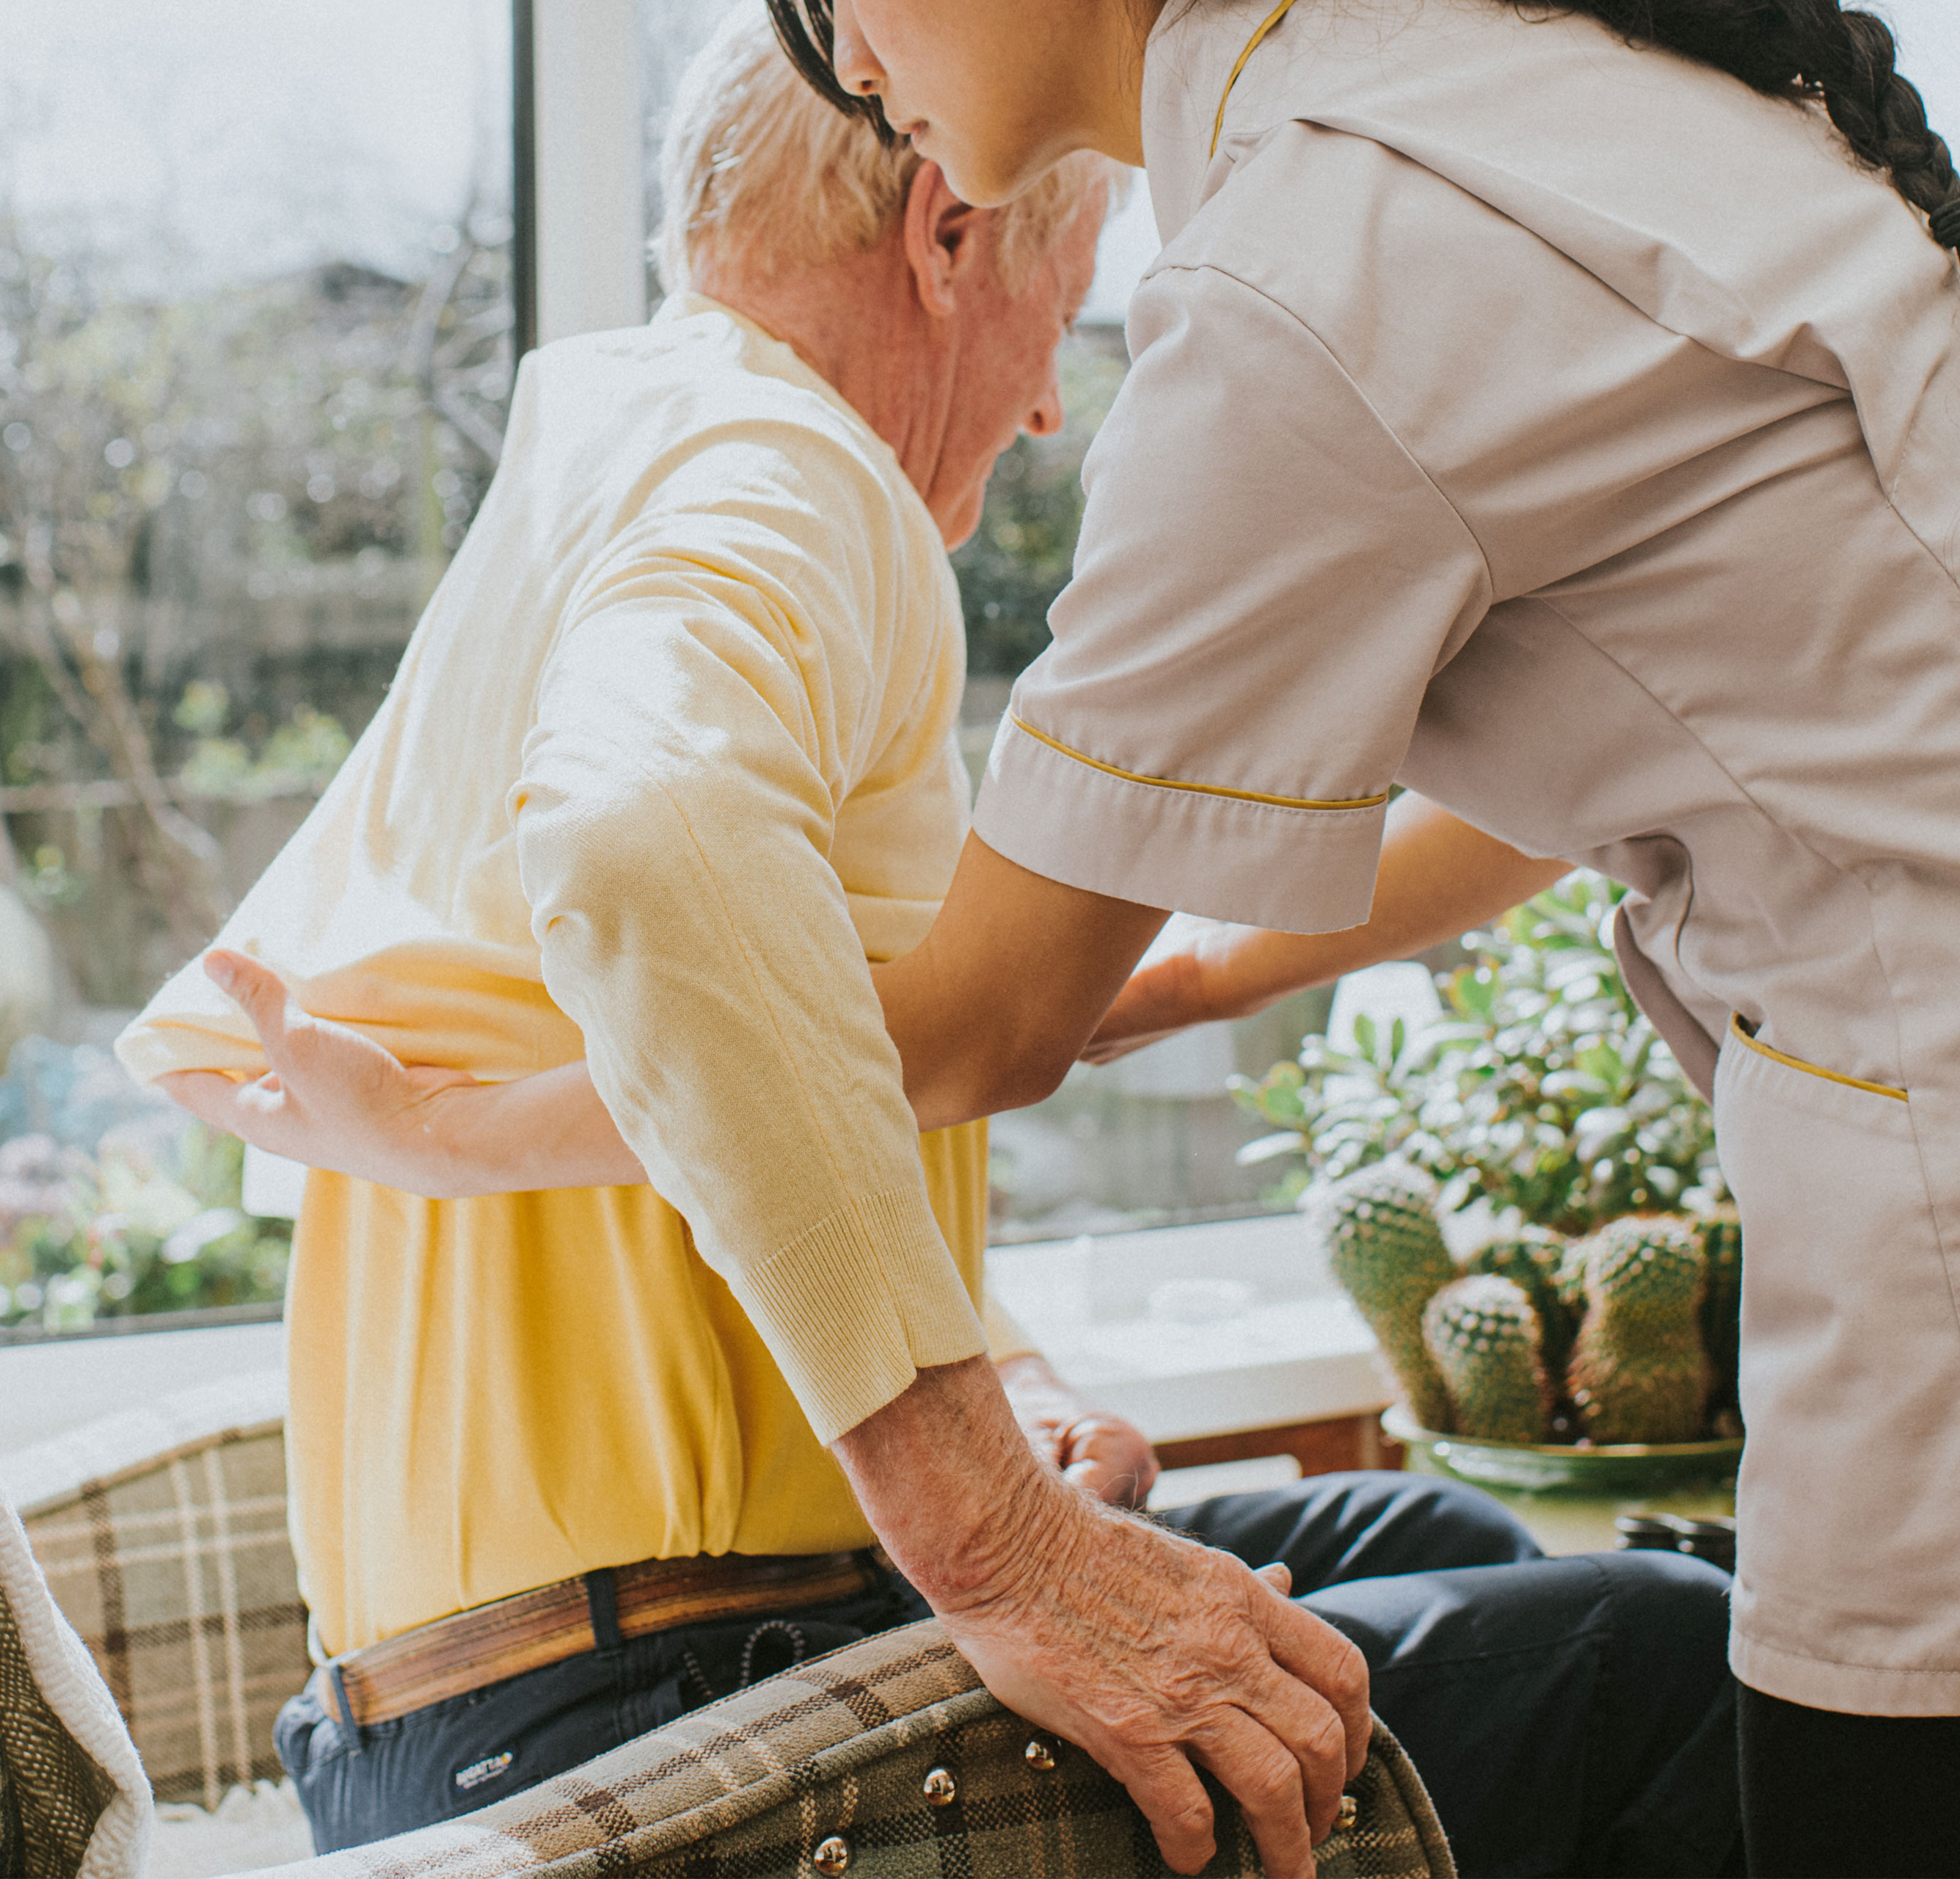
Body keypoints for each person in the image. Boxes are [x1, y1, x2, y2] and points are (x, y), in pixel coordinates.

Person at [163, 0, 1960, 1872]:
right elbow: (1279, 898)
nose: (840, 35)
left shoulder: (1292, 284)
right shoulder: (1510, 83)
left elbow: (985, 1002)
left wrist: (478, 1138)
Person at [123, 16, 1737, 1878]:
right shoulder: (784, 470)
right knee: (1664, 1654)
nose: (1056, 402)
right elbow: (649, 838)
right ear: (944, 230)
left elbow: (855, 1034)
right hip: (640, 1706)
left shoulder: (624, 452)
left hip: (469, 1707)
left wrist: (1010, 1373)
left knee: (1439, 1543)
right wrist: (996, 1531)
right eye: (1070, 297)